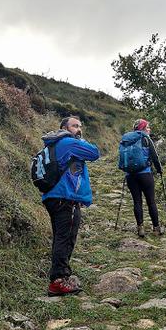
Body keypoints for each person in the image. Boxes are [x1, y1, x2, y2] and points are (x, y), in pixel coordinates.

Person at [41, 116, 100, 296]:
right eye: (75, 126)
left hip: (54, 196)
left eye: (80, 126)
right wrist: (79, 139)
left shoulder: (54, 144)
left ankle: (61, 276)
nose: (79, 129)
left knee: (61, 237)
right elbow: (94, 153)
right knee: (65, 238)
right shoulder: (68, 141)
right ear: (65, 128)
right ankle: (58, 281)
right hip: (65, 197)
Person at [121, 119, 163, 237]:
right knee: (151, 201)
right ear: (143, 128)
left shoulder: (126, 139)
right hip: (145, 174)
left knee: (137, 201)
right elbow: (155, 157)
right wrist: (160, 170)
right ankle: (156, 228)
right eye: (148, 127)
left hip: (130, 175)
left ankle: (140, 228)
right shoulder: (146, 138)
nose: (149, 129)